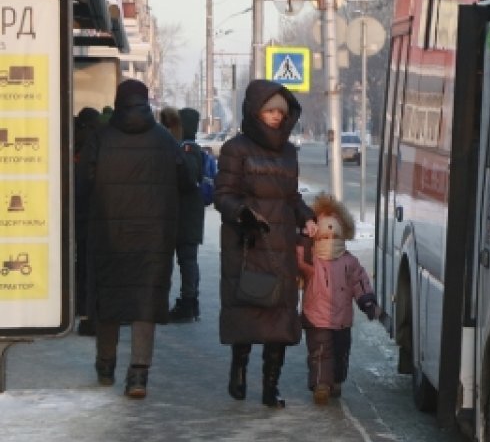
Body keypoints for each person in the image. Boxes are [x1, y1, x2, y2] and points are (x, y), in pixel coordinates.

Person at [80, 79, 191, 398]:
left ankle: (105, 366)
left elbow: (84, 185)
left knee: (108, 298)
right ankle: (139, 376)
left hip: (108, 234)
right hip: (153, 237)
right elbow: (186, 180)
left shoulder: (100, 138)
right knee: (145, 302)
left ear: (118, 101)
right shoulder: (165, 140)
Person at [214, 80, 316, 408]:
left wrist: (306, 217)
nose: (275, 117)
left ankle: (271, 386)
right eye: (269, 110)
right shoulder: (236, 149)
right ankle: (239, 369)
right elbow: (223, 195)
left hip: (281, 246)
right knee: (247, 311)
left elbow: (291, 196)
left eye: (280, 112)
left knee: (280, 318)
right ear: (255, 112)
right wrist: (243, 214)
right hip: (248, 243)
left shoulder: (288, 151)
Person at [296, 192, 380, 405]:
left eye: (334, 235)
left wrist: (367, 301)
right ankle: (320, 385)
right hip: (316, 316)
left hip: (342, 319)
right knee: (320, 352)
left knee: (341, 352)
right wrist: (301, 239)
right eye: (324, 235)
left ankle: (336, 380)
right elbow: (296, 261)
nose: (330, 239)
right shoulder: (310, 259)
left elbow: (360, 282)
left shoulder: (349, 262)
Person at [165, 107, 207, 322]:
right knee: (187, 260)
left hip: (185, 216)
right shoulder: (191, 148)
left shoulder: (187, 149)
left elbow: (188, 179)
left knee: (186, 261)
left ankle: (188, 303)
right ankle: (190, 303)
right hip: (188, 215)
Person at [72, 107, 101, 337]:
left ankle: (83, 309)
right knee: (89, 267)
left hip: (81, 216)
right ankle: (87, 312)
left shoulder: (82, 145)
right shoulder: (99, 143)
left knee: (83, 266)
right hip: (94, 217)